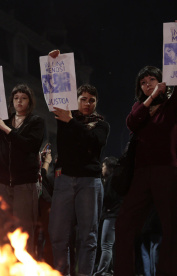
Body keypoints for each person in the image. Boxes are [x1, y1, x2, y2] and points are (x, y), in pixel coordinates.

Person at [115, 19, 177, 276]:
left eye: (153, 80)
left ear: (163, 82)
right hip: (141, 174)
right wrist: (149, 98)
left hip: (167, 172)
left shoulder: (173, 108)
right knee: (124, 224)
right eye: (144, 82)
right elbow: (131, 122)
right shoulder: (141, 110)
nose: (149, 84)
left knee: (171, 228)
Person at [48, 49, 110, 276]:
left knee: (88, 236)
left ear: (96, 104)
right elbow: (55, 92)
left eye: (92, 100)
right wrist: (54, 64)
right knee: (57, 235)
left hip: (90, 182)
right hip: (65, 180)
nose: (87, 103)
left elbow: (95, 141)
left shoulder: (101, 124)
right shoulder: (63, 118)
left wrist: (72, 122)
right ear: (76, 101)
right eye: (83, 99)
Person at [0, 66, 45, 256]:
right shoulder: (3, 120)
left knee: (25, 233)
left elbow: (29, 146)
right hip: (1, 184)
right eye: (16, 98)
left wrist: (5, 129)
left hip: (24, 184)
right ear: (12, 101)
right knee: (0, 231)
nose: (19, 101)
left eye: (23, 98)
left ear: (29, 101)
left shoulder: (36, 122)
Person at [93, 157, 120, 276]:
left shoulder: (111, 180)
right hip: (114, 214)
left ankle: (101, 271)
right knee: (110, 245)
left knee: (106, 245)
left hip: (111, 215)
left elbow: (107, 198)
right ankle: (110, 269)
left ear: (109, 168)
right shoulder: (117, 179)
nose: (102, 169)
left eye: (103, 166)